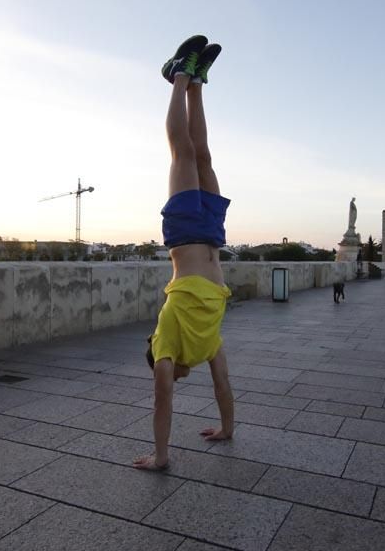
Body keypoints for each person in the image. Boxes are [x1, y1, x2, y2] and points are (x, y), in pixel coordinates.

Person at [133, 35, 235, 471]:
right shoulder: (204, 345)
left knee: (182, 152)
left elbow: (162, 398)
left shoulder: (166, 346)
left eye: (167, 368)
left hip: (185, 235)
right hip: (211, 238)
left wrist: (160, 455)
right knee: (204, 157)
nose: (175, 375)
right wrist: (227, 428)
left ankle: (176, 75)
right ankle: (196, 84)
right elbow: (223, 383)